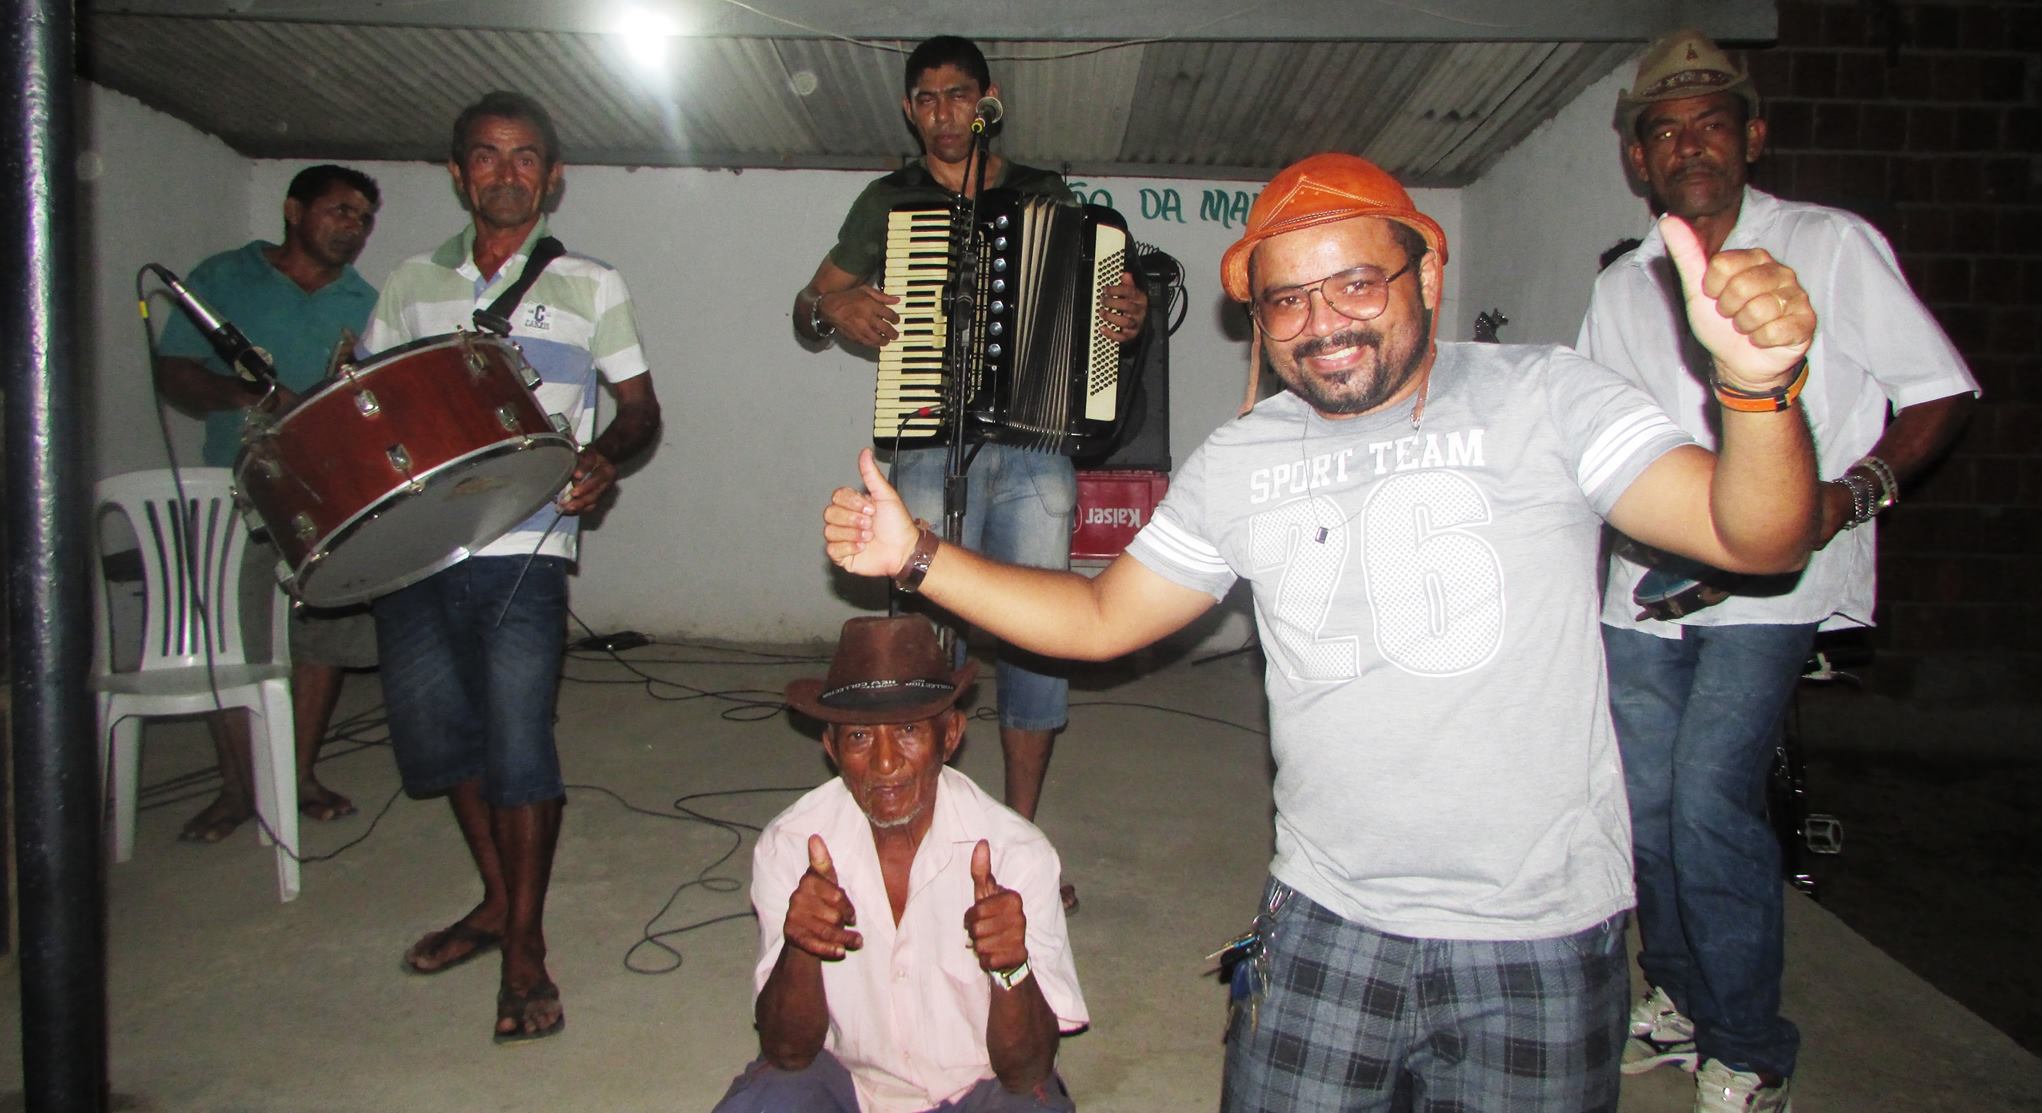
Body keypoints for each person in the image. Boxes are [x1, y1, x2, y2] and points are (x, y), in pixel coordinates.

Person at [824, 151, 1825, 1110]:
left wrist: (1757, 389)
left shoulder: (1547, 395)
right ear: (1256, 319)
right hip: (1326, 917)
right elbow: (1098, 617)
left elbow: (1756, 536)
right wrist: (918, 555)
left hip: (1538, 934)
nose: (1323, 323)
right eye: (1287, 300)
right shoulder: (1241, 459)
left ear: (1425, 273)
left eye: (1355, 284)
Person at [1577, 30, 1979, 1113]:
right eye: (1664, 132)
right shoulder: (1622, 287)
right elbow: (1596, 445)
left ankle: (1750, 1048)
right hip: (1642, 591)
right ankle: (1673, 994)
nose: (1689, 146)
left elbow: (1938, 389)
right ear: (1637, 159)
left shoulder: (1827, 245)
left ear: (1751, 137)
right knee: (1643, 807)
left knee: (1709, 801)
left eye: (1710, 124)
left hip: (1771, 586)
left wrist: (1855, 493)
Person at [792, 37, 1149, 909]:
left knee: (1039, 637)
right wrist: (833, 305)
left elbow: (1098, 311)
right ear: (908, 109)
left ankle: (1021, 840)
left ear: (989, 101)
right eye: (926, 98)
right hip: (924, 441)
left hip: (1035, 444)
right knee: (921, 643)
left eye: (958, 96)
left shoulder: (1046, 194)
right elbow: (807, 308)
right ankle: (918, 837)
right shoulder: (889, 201)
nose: (943, 113)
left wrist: (1125, 311)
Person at [359, 90, 661, 1043]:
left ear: (552, 176)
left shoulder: (591, 283)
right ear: (458, 174)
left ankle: (525, 946)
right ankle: (497, 900)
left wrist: (602, 458)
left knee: (520, 741)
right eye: (486, 156)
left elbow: (642, 411)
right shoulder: (409, 283)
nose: (506, 172)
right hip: (414, 547)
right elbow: (367, 406)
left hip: (527, 541)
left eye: (525, 156)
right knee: (444, 738)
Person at [715, 614, 1087, 1112]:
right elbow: (787, 1053)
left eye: (909, 730)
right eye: (859, 737)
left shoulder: (1017, 854)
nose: (886, 763)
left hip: (978, 1088)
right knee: (766, 1101)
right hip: (845, 1083)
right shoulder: (791, 844)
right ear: (831, 747)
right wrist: (800, 946)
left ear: (950, 735)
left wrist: (1012, 969)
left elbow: (1027, 1073)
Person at [154, 163, 383, 842]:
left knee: (321, 638)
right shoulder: (224, 279)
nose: (353, 227)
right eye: (339, 210)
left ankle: (297, 775)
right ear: (293, 209)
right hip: (239, 485)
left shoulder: (365, 300)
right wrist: (249, 395)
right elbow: (174, 371)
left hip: (327, 494)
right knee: (234, 641)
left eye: (363, 218)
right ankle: (236, 788)